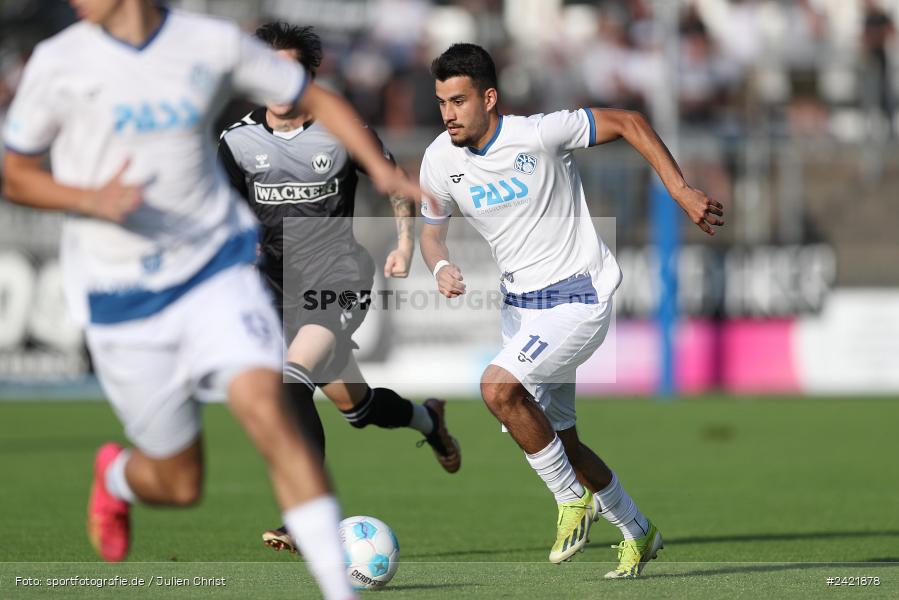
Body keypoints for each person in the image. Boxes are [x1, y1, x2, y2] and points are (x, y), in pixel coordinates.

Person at [0, 2, 420, 599]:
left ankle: (336, 586)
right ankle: (117, 478)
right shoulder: (57, 62)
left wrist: (383, 174)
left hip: (218, 271)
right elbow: (15, 175)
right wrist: (90, 200)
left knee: (274, 395)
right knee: (178, 481)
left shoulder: (208, 42)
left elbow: (322, 100)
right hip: (123, 285)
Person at [418, 43, 724, 578]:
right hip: (520, 310)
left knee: (497, 388)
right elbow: (431, 233)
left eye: (459, 101)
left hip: (580, 297)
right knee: (557, 438)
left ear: (490, 98)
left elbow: (629, 121)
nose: (448, 113)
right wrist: (439, 264)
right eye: (442, 101)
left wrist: (679, 190)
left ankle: (569, 501)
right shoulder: (439, 159)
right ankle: (637, 530)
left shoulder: (539, 133)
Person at [217, 22, 461, 554]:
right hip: (272, 286)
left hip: (337, 275)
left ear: (310, 76)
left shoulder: (341, 129)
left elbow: (393, 184)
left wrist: (401, 244)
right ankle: (429, 419)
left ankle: (306, 517)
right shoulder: (235, 141)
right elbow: (219, 209)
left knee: (289, 380)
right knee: (358, 408)